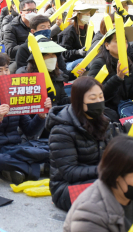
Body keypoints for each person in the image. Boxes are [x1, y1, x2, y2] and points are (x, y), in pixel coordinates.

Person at [0, 53, 50, 184]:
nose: (5, 73)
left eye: (6, 69)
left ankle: (21, 170)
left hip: (16, 148)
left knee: (51, 144)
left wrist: (40, 116)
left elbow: (29, 131)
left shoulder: (15, 95)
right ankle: (41, 167)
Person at [47, 76, 121, 211]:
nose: (98, 101)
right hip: (67, 188)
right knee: (116, 190)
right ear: (79, 101)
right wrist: (105, 170)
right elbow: (70, 172)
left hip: (99, 179)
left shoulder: (105, 122)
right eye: (92, 99)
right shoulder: (61, 131)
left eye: (100, 97)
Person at [86, 29, 133, 118]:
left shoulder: (127, 63)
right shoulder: (99, 63)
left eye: (125, 42)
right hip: (105, 111)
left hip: (123, 109)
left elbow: (130, 95)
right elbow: (94, 95)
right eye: (117, 41)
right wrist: (117, 78)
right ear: (107, 45)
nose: (122, 45)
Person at [17, 39, 71, 106]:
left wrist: (74, 99)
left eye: (54, 54)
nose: (52, 57)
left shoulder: (58, 74)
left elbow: (62, 99)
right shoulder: (24, 76)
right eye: (48, 54)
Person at [57, 3, 97, 69]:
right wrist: (78, 52)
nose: (88, 16)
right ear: (78, 15)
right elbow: (63, 54)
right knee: (84, 62)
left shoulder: (89, 30)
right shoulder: (69, 32)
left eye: (89, 14)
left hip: (86, 60)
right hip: (69, 63)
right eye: (85, 14)